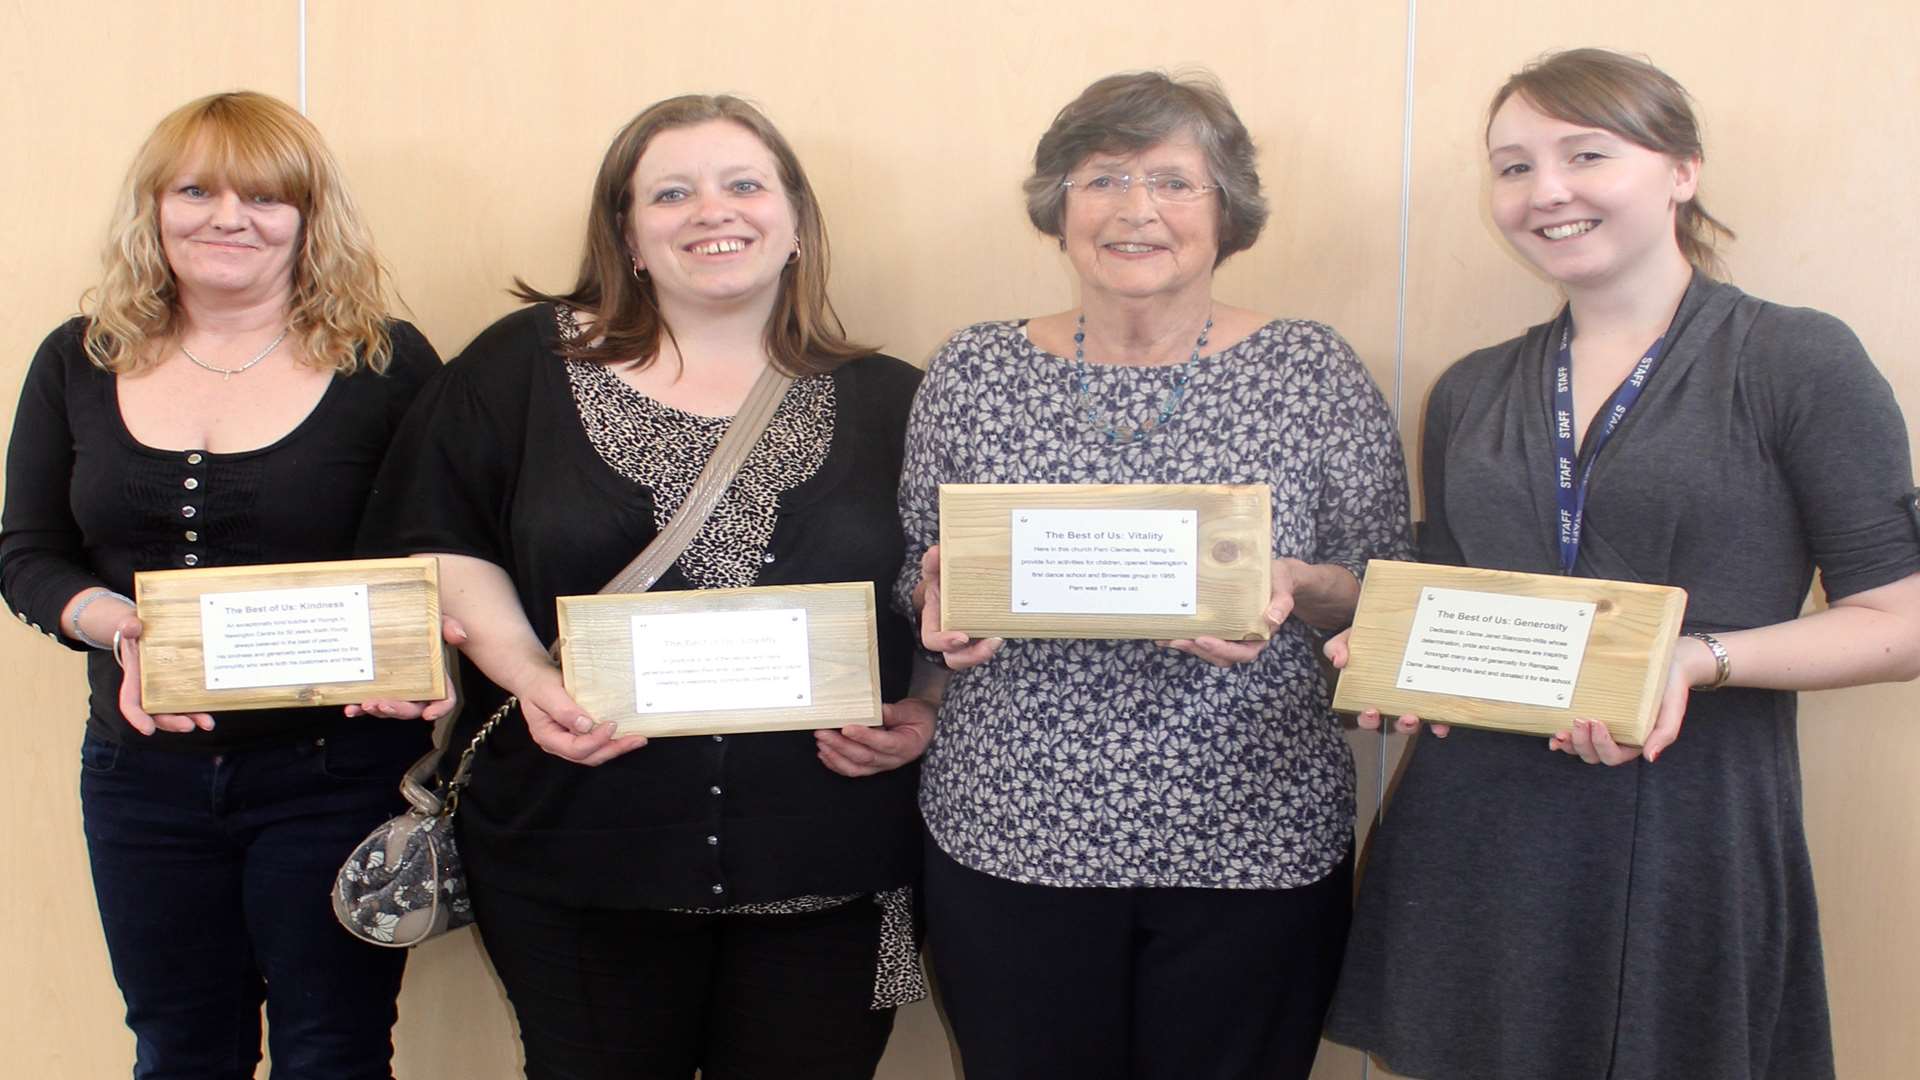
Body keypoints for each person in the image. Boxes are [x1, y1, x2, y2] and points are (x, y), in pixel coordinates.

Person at [1325, 48, 1920, 1080]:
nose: (1545, 191)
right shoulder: (1471, 389)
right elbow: (1449, 594)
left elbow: (1900, 618)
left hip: (1692, 831)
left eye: (1584, 153)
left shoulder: (1795, 360)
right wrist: (1392, 661)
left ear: (1681, 169)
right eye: (1512, 167)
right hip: (1478, 830)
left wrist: (1693, 660)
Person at [356, 94, 934, 1080]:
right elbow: (434, 536)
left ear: (795, 222)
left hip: (826, 870)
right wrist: (527, 674)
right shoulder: (522, 369)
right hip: (577, 861)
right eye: (672, 193)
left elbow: (944, 587)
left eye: (745, 185)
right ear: (627, 234)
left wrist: (926, 706)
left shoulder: (894, 398)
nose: (714, 211)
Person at [898, 70, 1412, 1079]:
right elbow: (916, 564)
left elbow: (1379, 591)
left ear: (1229, 213)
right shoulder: (972, 370)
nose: (1138, 210)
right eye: (1104, 179)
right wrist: (937, 605)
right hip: (1013, 833)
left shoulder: (1312, 370)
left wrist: (1287, 584)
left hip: (1253, 836)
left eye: (1176, 181)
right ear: (1059, 208)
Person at [0, 92, 443, 1078]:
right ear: (152, 208)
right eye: (195, 189)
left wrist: (423, 651)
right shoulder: (77, 361)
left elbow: (447, 545)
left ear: (307, 217)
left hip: (339, 774)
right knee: (179, 1049)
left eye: (264, 196)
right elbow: (26, 551)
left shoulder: (386, 361)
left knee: (333, 1050)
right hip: (139, 778)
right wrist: (118, 628)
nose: (228, 216)